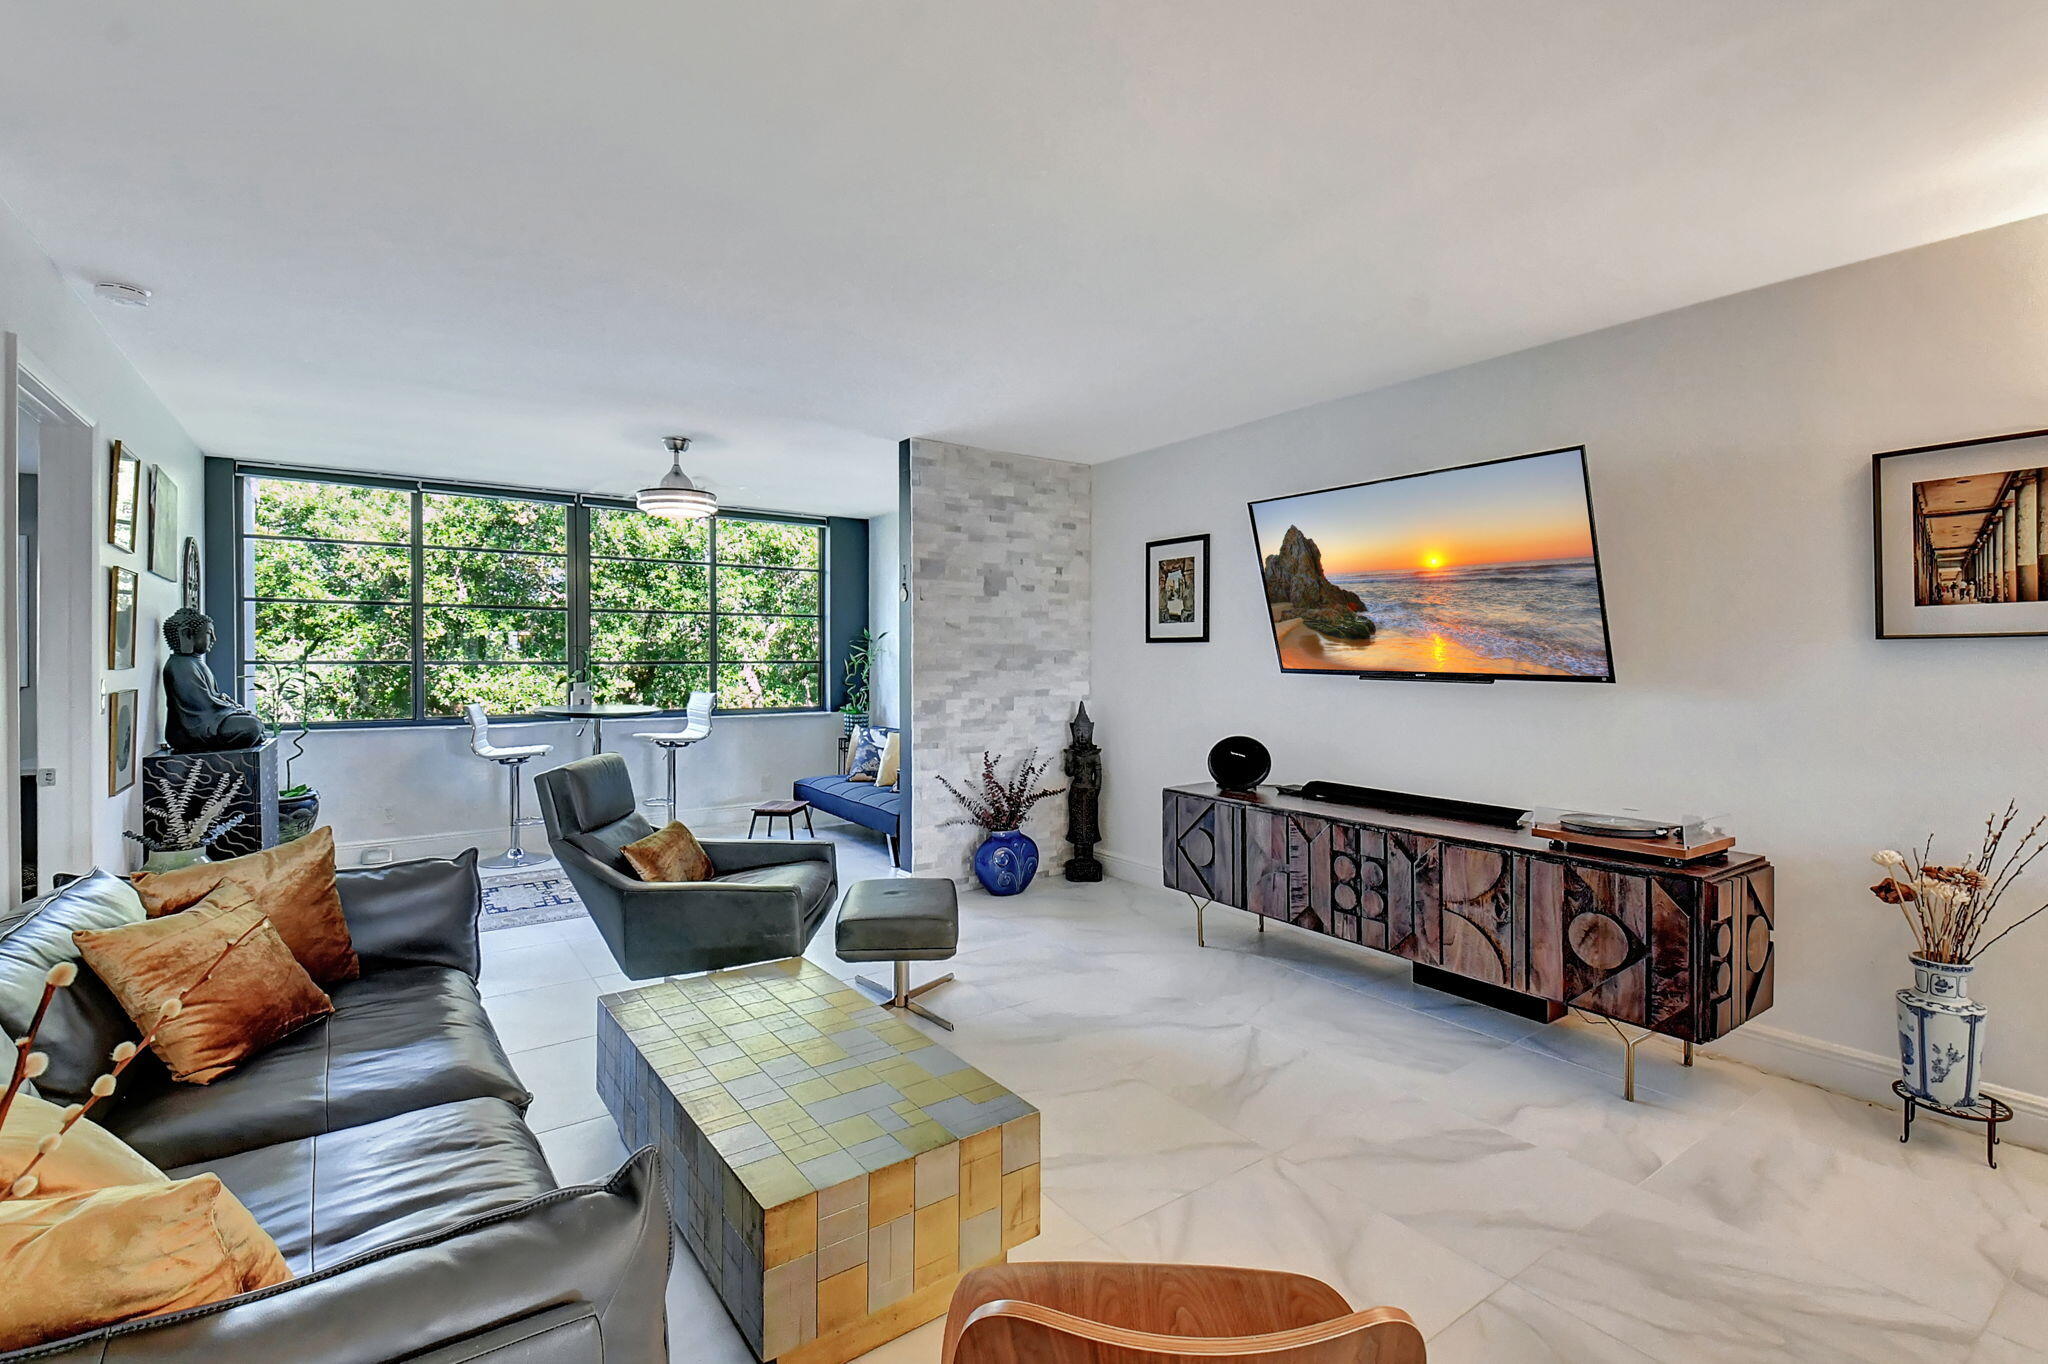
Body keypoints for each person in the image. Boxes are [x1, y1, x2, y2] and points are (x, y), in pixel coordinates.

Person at [161, 608, 266, 751]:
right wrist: (231, 709)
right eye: (209, 633)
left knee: (253, 723)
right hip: (189, 731)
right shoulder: (180, 667)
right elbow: (201, 708)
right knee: (251, 727)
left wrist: (232, 707)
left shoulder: (194, 663)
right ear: (187, 635)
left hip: (210, 719)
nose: (214, 638)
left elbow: (213, 698)